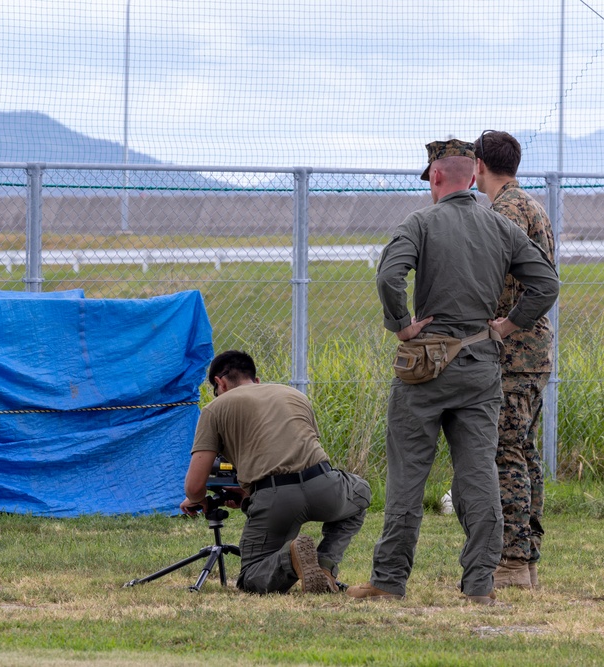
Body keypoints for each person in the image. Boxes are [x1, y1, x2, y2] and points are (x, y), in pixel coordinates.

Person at [347, 139, 560, 604]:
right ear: (472, 174)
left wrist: (401, 325)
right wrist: (505, 325)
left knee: (408, 477)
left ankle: (389, 580)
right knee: (479, 474)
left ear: (437, 177)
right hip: (482, 366)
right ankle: (481, 585)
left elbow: (388, 277)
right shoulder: (500, 226)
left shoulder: (420, 223)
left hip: (425, 367)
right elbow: (546, 283)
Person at [180, 350, 371, 594]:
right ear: (256, 380)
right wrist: (247, 494)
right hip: (325, 485)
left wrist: (198, 500)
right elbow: (296, 455)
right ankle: (325, 564)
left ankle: (292, 558)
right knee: (361, 491)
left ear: (220, 383)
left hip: (275, 500)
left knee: (250, 578)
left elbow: (195, 486)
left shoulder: (215, 408)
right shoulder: (294, 395)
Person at [474, 130, 556, 590]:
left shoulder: (504, 211)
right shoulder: (531, 205)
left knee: (506, 452)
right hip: (534, 351)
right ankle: (525, 561)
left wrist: (501, 326)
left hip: (515, 352)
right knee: (524, 452)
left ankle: (511, 561)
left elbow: (507, 283)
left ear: (481, 166)